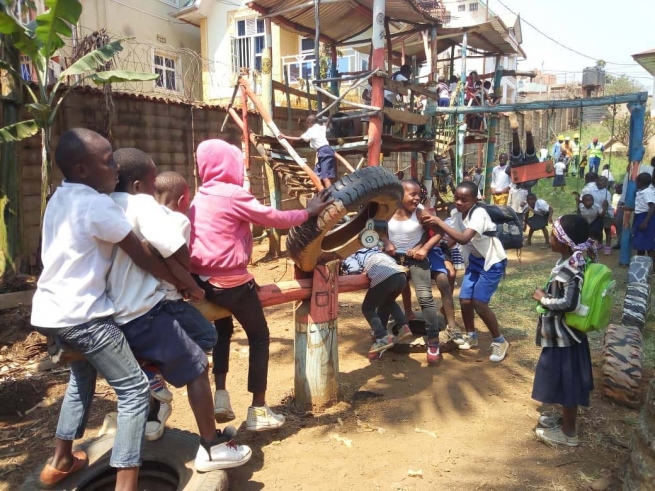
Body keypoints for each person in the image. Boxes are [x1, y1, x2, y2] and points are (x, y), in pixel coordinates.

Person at [31, 129, 177, 489]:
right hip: (85, 317)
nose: (115, 168)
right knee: (133, 391)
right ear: (82, 169)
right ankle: (126, 484)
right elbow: (140, 254)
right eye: (107, 161)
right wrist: (184, 283)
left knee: (81, 377)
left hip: (51, 315)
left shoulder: (59, 197)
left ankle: (61, 459)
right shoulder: (98, 204)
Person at [109, 148, 252, 470]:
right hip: (145, 309)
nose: (152, 190)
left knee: (194, 344)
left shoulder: (105, 205)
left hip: (112, 314)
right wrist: (189, 278)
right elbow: (170, 247)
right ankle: (211, 446)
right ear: (137, 186)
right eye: (149, 183)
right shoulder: (142, 205)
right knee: (198, 362)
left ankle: (154, 397)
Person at [189, 139, 331, 430]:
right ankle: (258, 408)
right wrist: (309, 211)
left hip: (200, 281)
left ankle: (221, 394)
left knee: (223, 329)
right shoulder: (231, 194)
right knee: (259, 336)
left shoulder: (200, 194)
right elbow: (272, 218)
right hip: (230, 282)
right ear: (229, 163)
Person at [420, 181, 510, 362]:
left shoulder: (479, 213)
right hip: (476, 261)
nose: (459, 202)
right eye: (457, 198)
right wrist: (437, 248)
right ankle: (472, 335)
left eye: (464, 200)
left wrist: (438, 221)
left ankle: (500, 341)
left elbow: (463, 238)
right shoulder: (457, 214)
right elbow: (452, 237)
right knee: (465, 299)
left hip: (492, 263)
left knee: (479, 302)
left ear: (475, 199)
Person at [532, 214, 596, 447]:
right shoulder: (569, 263)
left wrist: (544, 299)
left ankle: (569, 433)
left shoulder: (572, 270)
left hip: (566, 339)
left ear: (564, 241)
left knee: (568, 384)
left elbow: (570, 304)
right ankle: (563, 420)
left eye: (553, 235)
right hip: (562, 337)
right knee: (561, 382)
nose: (550, 238)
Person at [383, 180, 459, 364]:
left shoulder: (419, 213)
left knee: (425, 297)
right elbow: (378, 229)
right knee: (385, 295)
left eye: (419, 194)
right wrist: (387, 242)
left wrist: (423, 249)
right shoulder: (387, 211)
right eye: (413, 194)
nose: (417, 198)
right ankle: (381, 336)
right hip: (394, 259)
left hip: (416, 259)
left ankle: (433, 341)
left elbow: (439, 231)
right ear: (399, 195)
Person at [342, 247, 413, 359]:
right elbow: (392, 261)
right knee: (388, 301)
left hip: (385, 278)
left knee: (367, 308)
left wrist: (345, 269)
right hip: (401, 276)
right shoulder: (376, 250)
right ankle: (403, 326)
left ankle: (382, 337)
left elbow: (353, 269)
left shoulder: (352, 254)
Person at [279, 114, 336, 188]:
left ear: (309, 122)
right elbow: (326, 124)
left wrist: (284, 136)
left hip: (323, 151)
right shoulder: (321, 127)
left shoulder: (311, 130)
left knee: (325, 178)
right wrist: (329, 118)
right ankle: (322, 192)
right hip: (326, 151)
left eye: (307, 123)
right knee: (317, 175)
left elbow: (299, 138)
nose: (307, 125)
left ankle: (330, 195)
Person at [580, 175, 614, 254]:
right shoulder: (591, 190)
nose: (603, 183)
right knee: (599, 229)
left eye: (605, 181)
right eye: (601, 181)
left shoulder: (607, 193)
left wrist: (604, 208)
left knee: (607, 229)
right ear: (596, 181)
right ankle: (600, 243)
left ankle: (608, 246)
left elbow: (607, 204)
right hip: (596, 211)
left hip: (606, 212)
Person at [627, 172, 655, 261]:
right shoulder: (641, 192)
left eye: (636, 181)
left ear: (640, 182)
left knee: (648, 244)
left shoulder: (647, 192)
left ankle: (653, 267)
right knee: (640, 244)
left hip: (645, 218)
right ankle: (640, 264)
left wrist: (645, 221)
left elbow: (652, 206)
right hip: (640, 218)